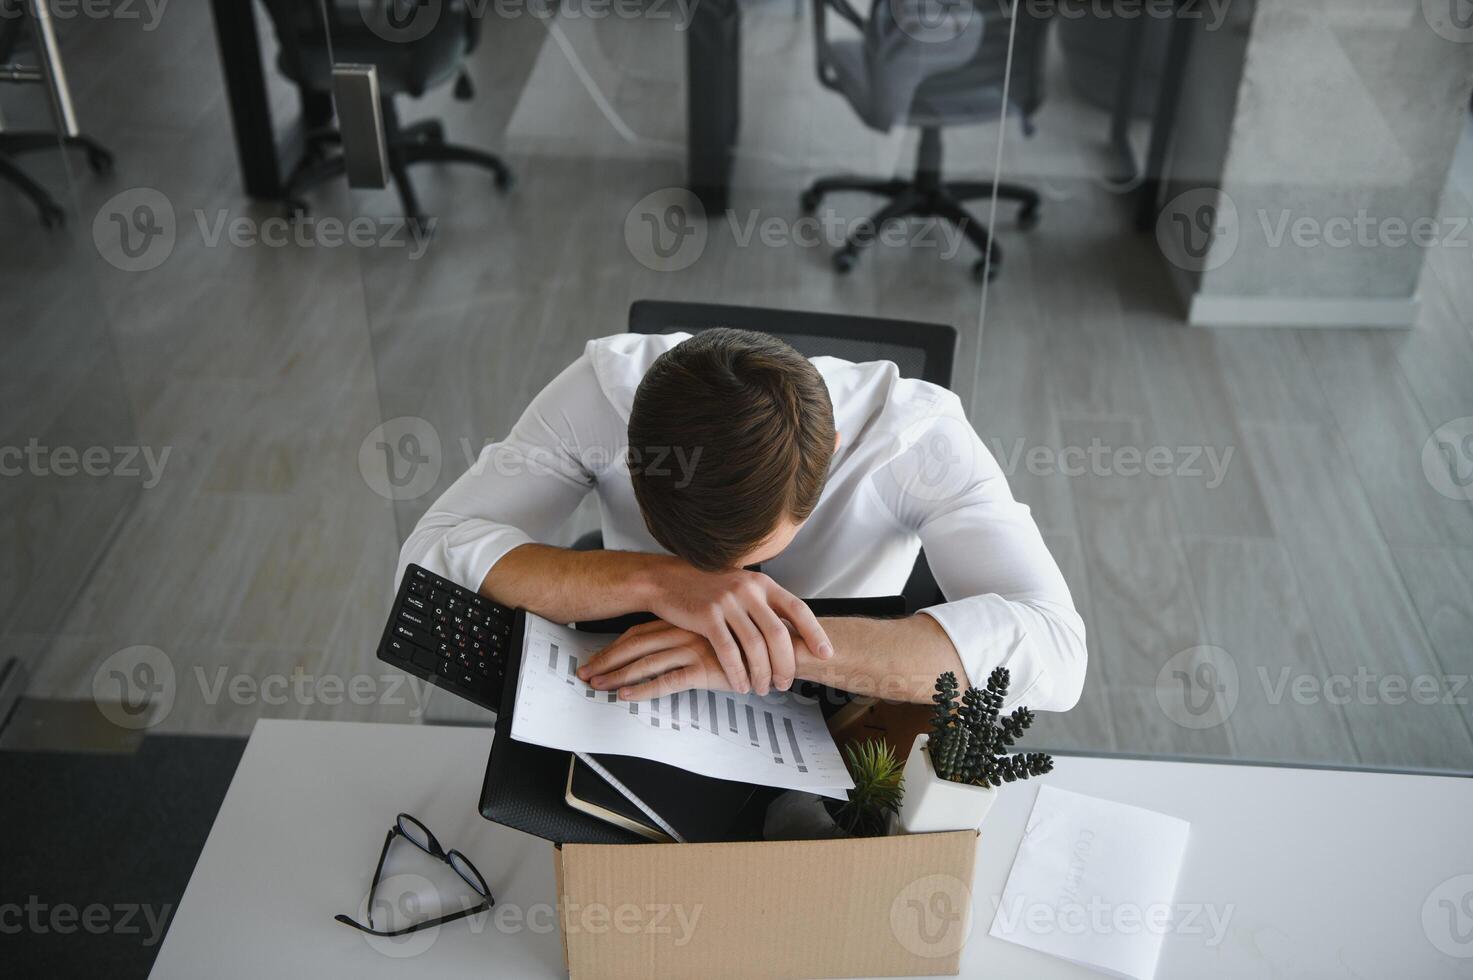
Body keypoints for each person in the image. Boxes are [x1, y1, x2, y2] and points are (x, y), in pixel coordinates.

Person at [400, 328, 1085, 710]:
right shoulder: (599, 395)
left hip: (842, 686)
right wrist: (660, 584)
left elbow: (1057, 651)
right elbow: (426, 556)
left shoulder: (918, 440)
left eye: (745, 557)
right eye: (701, 559)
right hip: (640, 671)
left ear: (833, 457)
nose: (727, 584)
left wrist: (761, 649)